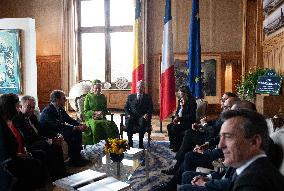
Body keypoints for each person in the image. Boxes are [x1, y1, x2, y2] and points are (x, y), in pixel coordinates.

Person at [219, 109, 284, 190]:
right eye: (221, 137)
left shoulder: (252, 182)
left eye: (228, 136)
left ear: (254, 142)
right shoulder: (253, 171)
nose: (220, 145)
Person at [13, 95, 68, 180]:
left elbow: (43, 130)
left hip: (38, 140)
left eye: (33, 107)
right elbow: (29, 137)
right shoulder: (18, 119)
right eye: (29, 107)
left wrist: (56, 136)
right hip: (28, 144)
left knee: (56, 146)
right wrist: (49, 141)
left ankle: (61, 173)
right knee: (45, 144)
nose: (31, 110)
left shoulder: (32, 116)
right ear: (20, 107)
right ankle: (52, 176)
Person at [0, 93, 47, 190]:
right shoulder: (3, 125)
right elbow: (4, 152)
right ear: (10, 107)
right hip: (5, 164)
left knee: (38, 158)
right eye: (17, 106)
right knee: (34, 164)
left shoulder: (6, 121)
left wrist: (21, 153)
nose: (18, 109)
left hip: (12, 157)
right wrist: (19, 155)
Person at [40, 90, 89, 167]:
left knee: (77, 132)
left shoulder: (60, 109)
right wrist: (75, 128)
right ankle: (73, 161)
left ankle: (77, 157)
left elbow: (69, 119)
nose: (65, 100)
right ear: (57, 100)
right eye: (63, 98)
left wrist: (80, 124)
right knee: (71, 134)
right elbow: (56, 125)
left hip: (59, 129)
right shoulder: (48, 111)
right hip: (50, 132)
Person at [83, 79, 119, 144]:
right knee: (96, 125)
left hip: (101, 117)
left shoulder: (103, 97)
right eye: (96, 88)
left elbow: (105, 110)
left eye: (99, 88)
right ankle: (96, 144)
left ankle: (111, 145)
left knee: (111, 125)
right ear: (92, 88)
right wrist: (94, 113)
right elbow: (85, 111)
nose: (97, 90)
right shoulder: (88, 96)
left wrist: (102, 113)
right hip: (90, 118)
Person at [124, 80, 153, 148]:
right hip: (132, 116)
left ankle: (141, 143)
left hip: (142, 117)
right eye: (138, 87)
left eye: (141, 87)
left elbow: (151, 108)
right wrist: (128, 114)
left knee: (142, 122)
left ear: (144, 88)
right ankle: (130, 142)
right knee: (128, 121)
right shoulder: (130, 96)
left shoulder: (148, 97)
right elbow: (126, 107)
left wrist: (147, 114)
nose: (140, 88)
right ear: (136, 88)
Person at [167, 86, 197, 151]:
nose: (179, 94)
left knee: (175, 128)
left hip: (188, 122)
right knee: (169, 126)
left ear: (185, 93)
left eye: (180, 93)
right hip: (179, 120)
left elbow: (192, 116)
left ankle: (177, 147)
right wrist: (176, 117)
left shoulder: (192, 101)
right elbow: (178, 111)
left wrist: (180, 119)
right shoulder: (180, 100)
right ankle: (173, 144)